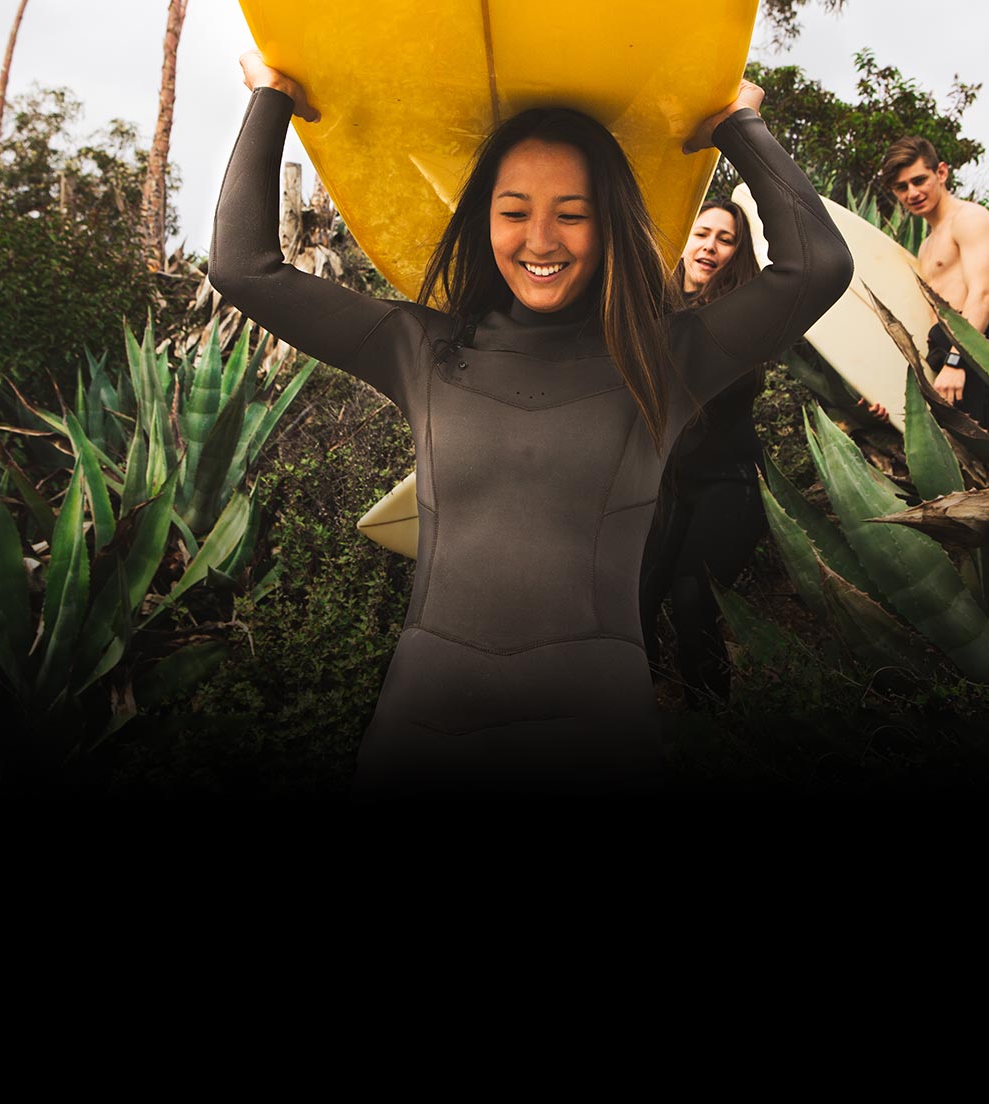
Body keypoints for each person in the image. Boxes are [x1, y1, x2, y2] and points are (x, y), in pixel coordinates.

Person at [209, 51, 852, 794]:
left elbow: (817, 266)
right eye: (514, 212)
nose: (540, 241)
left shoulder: (664, 359)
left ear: (609, 225)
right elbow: (243, 268)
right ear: (484, 221)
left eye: (571, 215)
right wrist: (271, 100)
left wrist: (738, 123)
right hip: (423, 726)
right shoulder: (421, 348)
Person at [639, 201, 765, 708]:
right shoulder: (650, 305)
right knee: (638, 597)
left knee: (693, 600)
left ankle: (710, 725)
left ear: (737, 253)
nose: (709, 246)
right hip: (667, 481)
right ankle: (641, 713)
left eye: (725, 239)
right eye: (701, 233)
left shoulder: (740, 315)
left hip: (727, 482)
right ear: (682, 240)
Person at [881, 135, 989, 429]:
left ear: (941, 172)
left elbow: (983, 294)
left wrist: (958, 361)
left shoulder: (968, 219)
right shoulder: (927, 245)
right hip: (946, 352)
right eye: (901, 187)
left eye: (919, 180)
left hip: (974, 349)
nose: (912, 193)